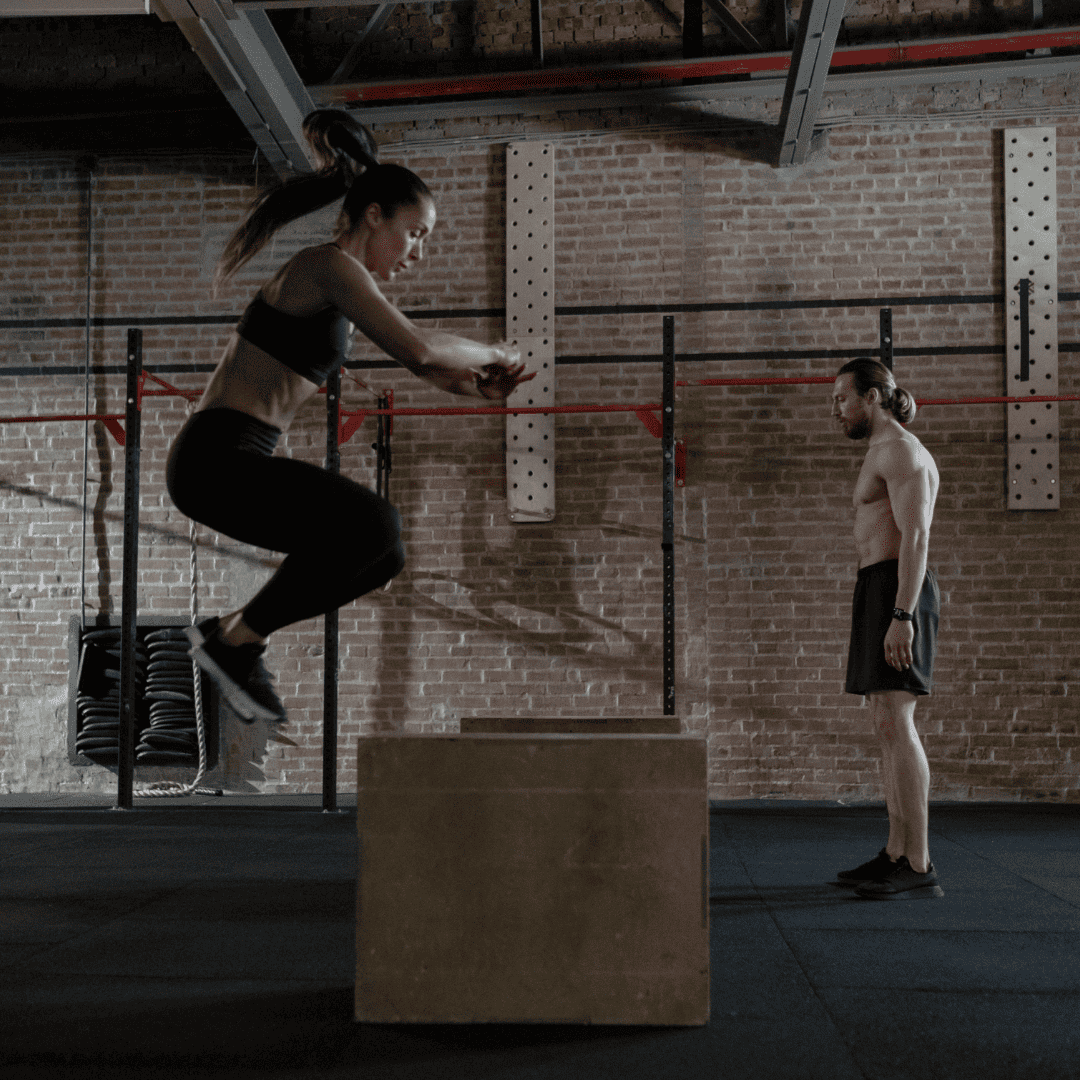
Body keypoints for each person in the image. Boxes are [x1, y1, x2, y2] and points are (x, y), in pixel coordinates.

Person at [167, 109, 534, 731]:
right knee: (375, 523)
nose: (418, 252)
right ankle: (234, 641)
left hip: (235, 461)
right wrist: (496, 351)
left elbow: (426, 366)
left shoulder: (341, 282)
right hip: (217, 459)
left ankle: (233, 636)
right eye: (415, 233)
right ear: (374, 216)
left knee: (382, 551)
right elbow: (416, 346)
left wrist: (472, 389)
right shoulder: (327, 267)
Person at [830, 358, 944, 900]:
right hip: (877, 587)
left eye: (843, 398)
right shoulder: (880, 451)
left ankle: (918, 862)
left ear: (874, 396)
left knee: (898, 719)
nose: (837, 409)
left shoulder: (901, 450)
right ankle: (896, 850)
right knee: (884, 723)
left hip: (898, 591)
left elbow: (916, 538)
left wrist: (902, 615)